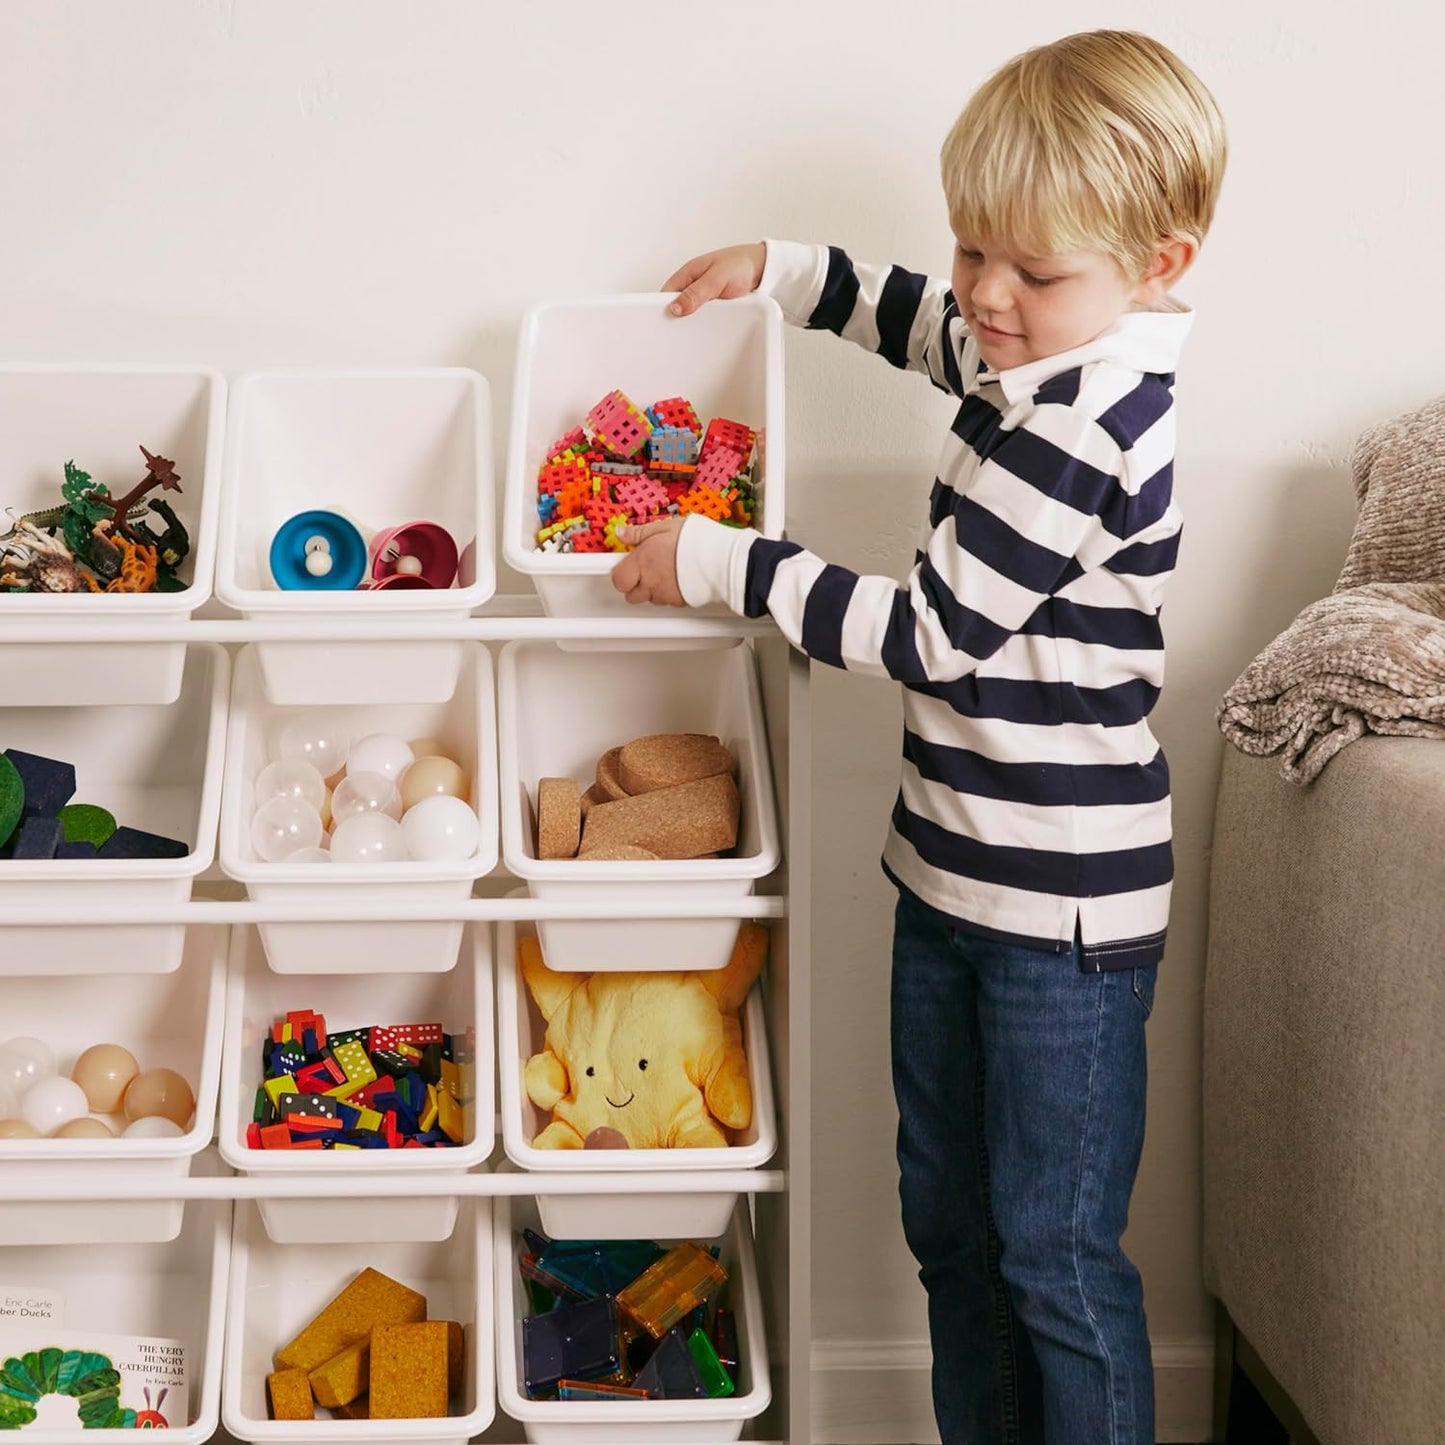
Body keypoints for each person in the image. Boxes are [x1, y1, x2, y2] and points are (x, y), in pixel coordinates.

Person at [612, 28, 1227, 1445]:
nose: (986, 298)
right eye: (971, 249)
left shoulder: (1085, 422)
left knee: (1052, 1257)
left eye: (1031, 270)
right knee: (950, 1229)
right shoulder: (1033, 354)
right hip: (949, 879)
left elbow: (930, 634)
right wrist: (781, 269)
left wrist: (723, 563)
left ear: (1158, 264)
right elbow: (925, 325)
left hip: (1059, 919)